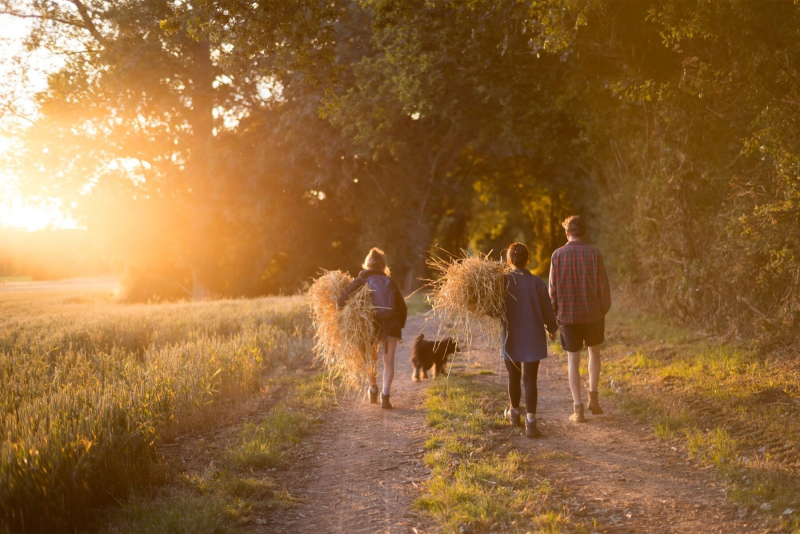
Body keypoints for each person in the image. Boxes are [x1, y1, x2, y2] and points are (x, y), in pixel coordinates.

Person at [549, 216, 611, 423]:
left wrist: (554, 317)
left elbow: (553, 291)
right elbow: (603, 285)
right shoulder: (594, 254)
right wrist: (603, 309)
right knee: (594, 352)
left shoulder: (557, 255)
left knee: (573, 360)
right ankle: (593, 398)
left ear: (567, 233)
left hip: (567, 316)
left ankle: (578, 409)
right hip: (593, 313)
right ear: (584, 233)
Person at [338, 248, 407, 409]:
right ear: (383, 265)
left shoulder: (362, 280)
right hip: (391, 325)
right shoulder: (390, 280)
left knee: (371, 359)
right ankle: (385, 395)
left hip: (371, 326)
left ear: (367, 263)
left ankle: (373, 389)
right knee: (388, 361)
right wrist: (398, 327)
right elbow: (402, 307)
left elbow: (342, 301)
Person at [501, 242, 558, 438]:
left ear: (509, 261)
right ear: (528, 260)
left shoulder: (502, 282)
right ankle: (531, 423)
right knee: (530, 379)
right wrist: (552, 328)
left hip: (511, 337)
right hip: (533, 336)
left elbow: (493, 309)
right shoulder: (537, 283)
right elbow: (547, 311)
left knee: (513, 377)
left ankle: (515, 414)